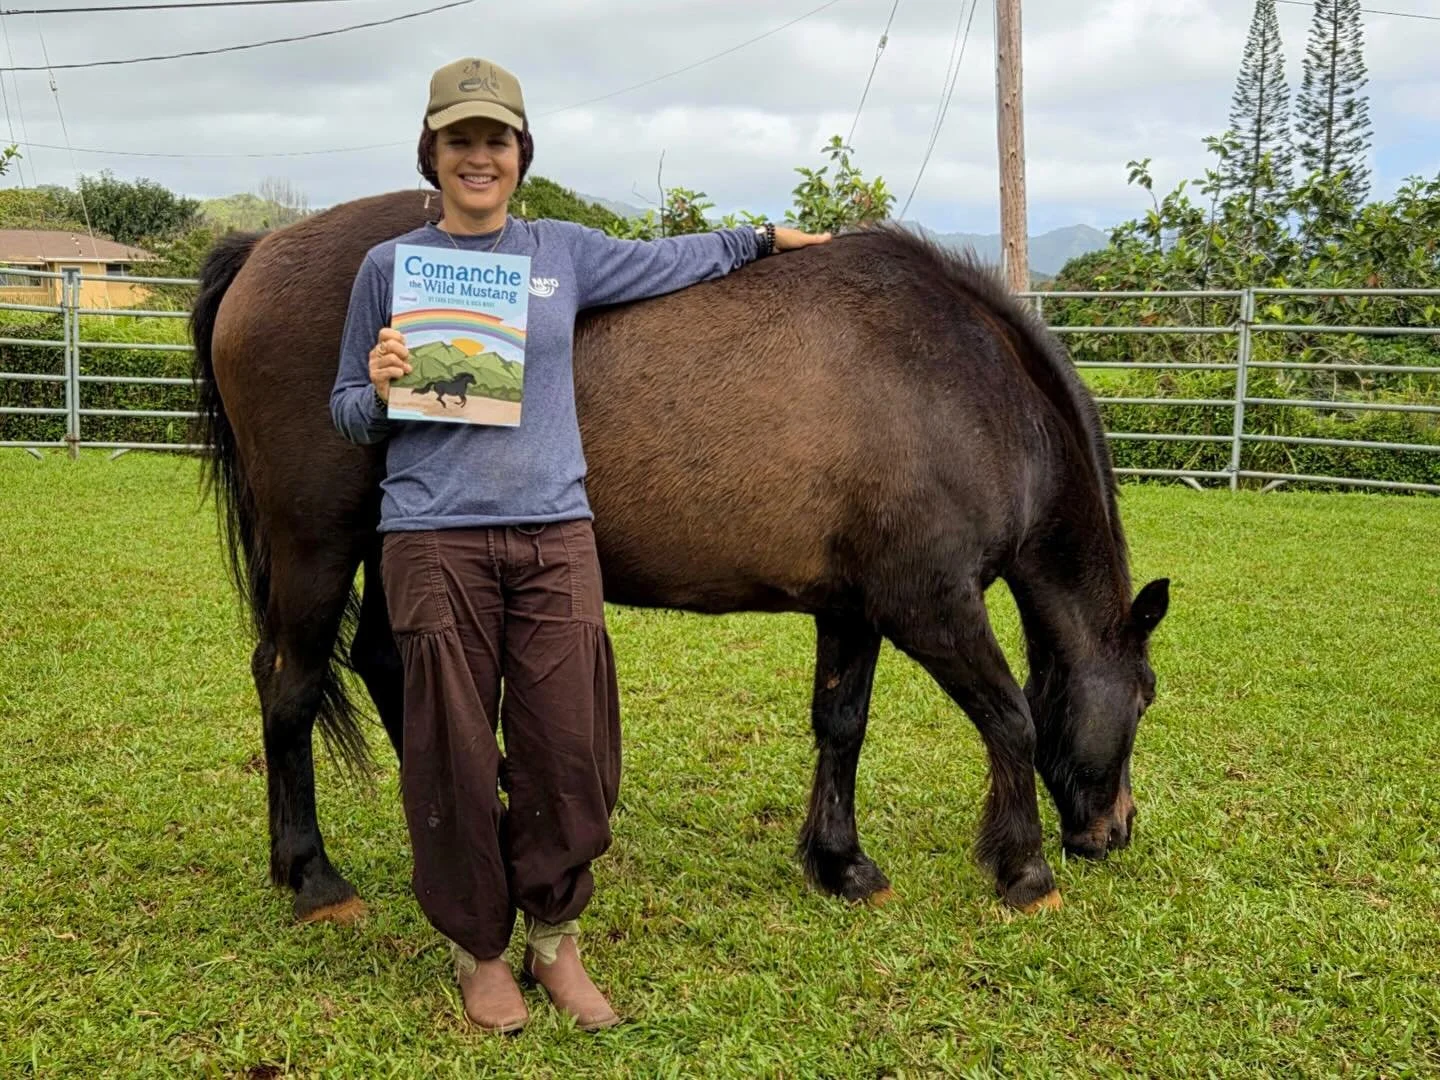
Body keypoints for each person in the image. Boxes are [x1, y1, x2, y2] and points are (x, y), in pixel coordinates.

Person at [328, 56, 830, 1034]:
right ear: (431, 153)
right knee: (453, 754)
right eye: (459, 140)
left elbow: (677, 258)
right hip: (432, 543)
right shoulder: (390, 269)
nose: (479, 156)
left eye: (496, 139)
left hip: (557, 539)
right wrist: (383, 385)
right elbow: (348, 412)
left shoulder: (565, 251)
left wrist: (765, 239)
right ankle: (479, 951)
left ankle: (555, 939)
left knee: (570, 748)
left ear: (521, 153)